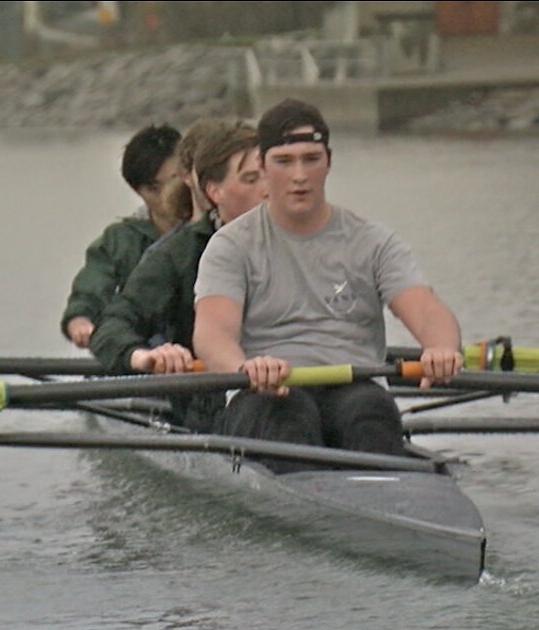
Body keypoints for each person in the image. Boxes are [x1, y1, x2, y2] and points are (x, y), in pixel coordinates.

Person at [192, 98, 464, 461]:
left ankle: (380, 494)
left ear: (329, 162)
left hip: (354, 387)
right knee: (289, 419)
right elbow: (212, 333)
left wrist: (442, 348)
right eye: (285, 162)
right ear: (263, 166)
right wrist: (243, 368)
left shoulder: (373, 242)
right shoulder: (231, 245)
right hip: (268, 390)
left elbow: (426, 309)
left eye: (311, 159)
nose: (300, 175)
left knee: (371, 415)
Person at [90, 120, 266, 431]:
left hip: (299, 383)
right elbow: (111, 327)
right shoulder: (177, 254)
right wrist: (144, 356)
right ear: (214, 191)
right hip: (214, 397)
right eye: (252, 179)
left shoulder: (312, 237)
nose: (268, 190)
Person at [59, 124, 181, 349]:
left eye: (175, 180)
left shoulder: (216, 230)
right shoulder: (119, 240)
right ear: (138, 191)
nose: (167, 195)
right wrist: (80, 320)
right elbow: (91, 288)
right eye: (154, 187)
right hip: (145, 354)